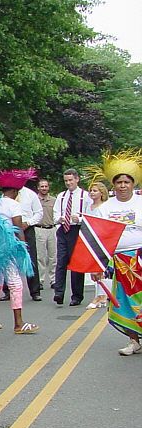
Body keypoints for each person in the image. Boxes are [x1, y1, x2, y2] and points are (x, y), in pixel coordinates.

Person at [89, 152, 142, 356]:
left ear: (133, 184)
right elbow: (98, 239)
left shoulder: (140, 203)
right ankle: (133, 340)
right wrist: (97, 267)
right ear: (113, 185)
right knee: (125, 301)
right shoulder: (105, 208)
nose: (122, 185)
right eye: (119, 182)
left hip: (140, 258)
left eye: (126, 182)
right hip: (118, 261)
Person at [0, 173, 38, 334]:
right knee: (16, 283)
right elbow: (18, 228)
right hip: (8, 247)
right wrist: (23, 246)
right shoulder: (14, 205)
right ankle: (18, 323)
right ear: (14, 191)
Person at [53, 169, 92, 306]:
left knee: (76, 263)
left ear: (77, 179)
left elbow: (89, 215)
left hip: (77, 230)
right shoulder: (61, 196)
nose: (68, 183)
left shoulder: (85, 196)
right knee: (61, 261)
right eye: (66, 181)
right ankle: (59, 292)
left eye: (70, 180)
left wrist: (80, 218)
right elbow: (56, 213)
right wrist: (60, 218)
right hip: (64, 229)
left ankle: (76, 295)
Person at [85, 182, 111, 310]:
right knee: (94, 269)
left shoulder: (105, 207)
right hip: (91, 238)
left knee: (102, 268)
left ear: (102, 193)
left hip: (102, 239)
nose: (92, 193)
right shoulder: (88, 206)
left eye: (95, 190)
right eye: (91, 191)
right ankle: (101, 295)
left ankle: (102, 296)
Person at [16, 183, 43, 300]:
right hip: (12, 229)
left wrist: (29, 223)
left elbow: (39, 213)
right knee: (10, 259)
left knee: (31, 258)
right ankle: (8, 290)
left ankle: (35, 291)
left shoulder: (30, 194)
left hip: (27, 228)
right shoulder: (6, 195)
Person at [35, 179, 57, 289]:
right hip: (39, 229)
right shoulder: (34, 200)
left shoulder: (54, 200)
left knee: (53, 256)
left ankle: (53, 280)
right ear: (38, 188)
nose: (44, 188)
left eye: (46, 186)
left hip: (52, 229)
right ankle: (40, 280)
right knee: (40, 257)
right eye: (42, 186)